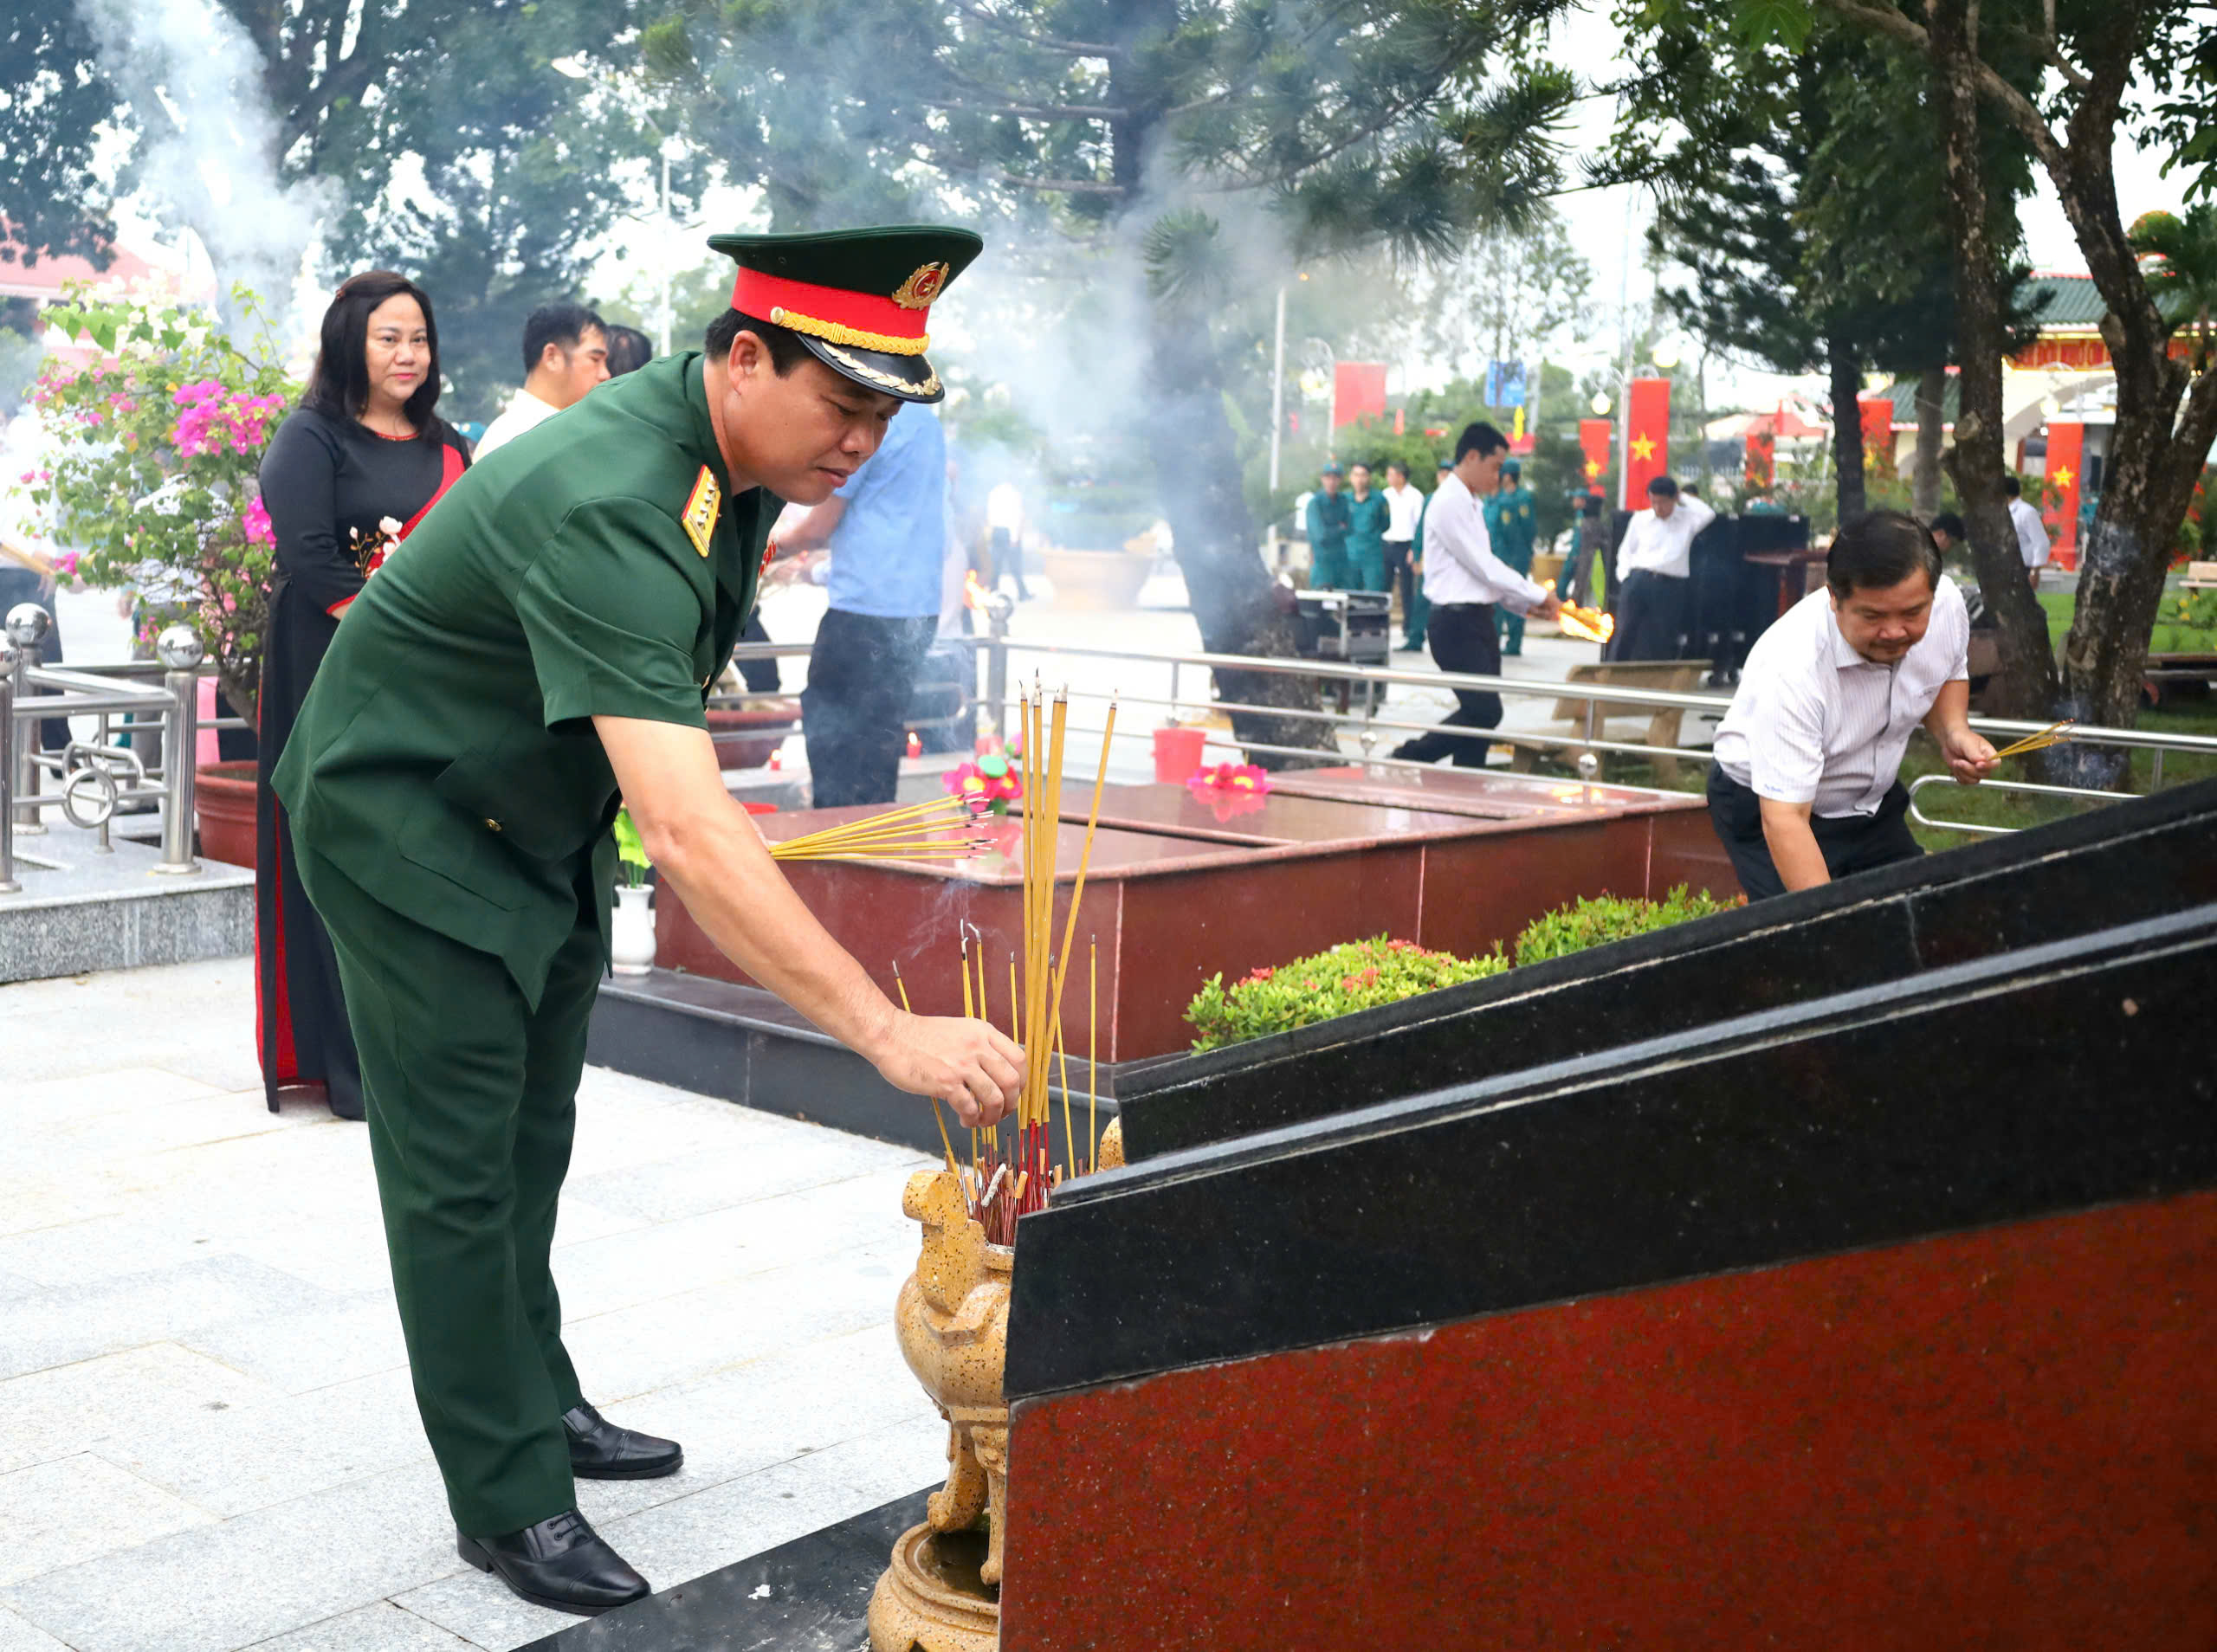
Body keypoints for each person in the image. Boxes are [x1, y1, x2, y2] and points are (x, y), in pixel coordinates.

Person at [274, 226, 1020, 1617]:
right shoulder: (621, 492)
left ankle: (532, 1395)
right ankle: (504, 1498)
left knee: (531, 1137)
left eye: (883, 414)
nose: (860, 442)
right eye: (842, 404)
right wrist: (881, 1028)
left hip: (527, 813)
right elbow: (684, 826)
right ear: (745, 358)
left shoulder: (727, 464)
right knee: (459, 1169)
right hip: (405, 822)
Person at [255, 271, 474, 1121]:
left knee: (419, 855)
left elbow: (480, 549)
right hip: (330, 669)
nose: (407, 354)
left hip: (429, 685)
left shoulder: (450, 444)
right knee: (340, 856)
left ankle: (424, 1054)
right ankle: (347, 1066)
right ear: (349, 340)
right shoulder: (312, 436)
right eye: (389, 337)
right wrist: (392, 632)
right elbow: (310, 556)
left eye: (418, 337)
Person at [1707, 510, 1996, 900]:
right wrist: (1831, 923)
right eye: (1873, 616)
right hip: (1771, 806)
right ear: (1834, 599)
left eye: (1912, 613)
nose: (1895, 631)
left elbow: (1946, 669)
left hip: (1869, 803)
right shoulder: (1792, 667)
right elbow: (1786, 819)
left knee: (1922, 914)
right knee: (1807, 941)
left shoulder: (1944, 604)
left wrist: (1954, 730)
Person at [781, 399, 949, 806]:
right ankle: (876, 851)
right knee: (879, 742)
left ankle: (839, 852)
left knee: (835, 739)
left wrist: (771, 548)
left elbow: (818, 526)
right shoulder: (927, 423)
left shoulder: (871, 422)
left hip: (864, 615)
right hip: (915, 612)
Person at [1389, 423, 1561, 766]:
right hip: (1455, 623)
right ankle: (1411, 756)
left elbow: (1482, 576)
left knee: (1477, 720)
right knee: (1486, 712)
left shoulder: (1471, 503)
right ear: (1471, 456)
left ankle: (1466, 785)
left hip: (1478, 620)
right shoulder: (1449, 502)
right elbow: (1483, 565)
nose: (1498, 477)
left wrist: (1524, 605)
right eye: (1495, 467)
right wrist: (1538, 595)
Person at [475, 302, 611, 457]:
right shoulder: (512, 437)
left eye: (605, 362)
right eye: (595, 359)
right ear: (551, 357)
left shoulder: (571, 431)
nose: (605, 374)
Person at [1605, 474, 1716, 662]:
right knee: (1624, 631)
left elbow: (1709, 514)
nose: (1658, 507)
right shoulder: (1641, 518)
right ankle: (1613, 673)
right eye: (1653, 501)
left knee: (1662, 635)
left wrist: (1683, 496)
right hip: (1638, 580)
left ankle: (1655, 682)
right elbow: (1625, 551)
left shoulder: (1688, 519)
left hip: (1670, 585)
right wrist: (1625, 577)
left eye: (1663, 502)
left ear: (1674, 499)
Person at [0, 537, 70, 753]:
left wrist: (48, 566)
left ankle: (59, 752)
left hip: (37, 578)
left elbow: (50, 529)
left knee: (48, 667)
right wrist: (31, 552)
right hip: (5, 570)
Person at [1484, 457, 1538, 655]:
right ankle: (1495, 640)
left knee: (1515, 601)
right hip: (1498, 558)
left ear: (1507, 476)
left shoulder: (1521, 498)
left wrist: (1520, 557)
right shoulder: (1494, 500)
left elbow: (1526, 530)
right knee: (1497, 603)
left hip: (1515, 557)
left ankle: (1514, 644)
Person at [1381, 461, 1422, 633]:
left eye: (1391, 474)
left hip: (1405, 545)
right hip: (1386, 544)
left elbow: (1418, 525)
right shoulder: (1385, 494)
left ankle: (1408, 626)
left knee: (1407, 588)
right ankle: (1380, 624)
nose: (1388, 478)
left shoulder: (1415, 496)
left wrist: (1415, 549)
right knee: (1383, 587)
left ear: (1400, 476)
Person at [1343, 461, 1390, 592]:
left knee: (1374, 596)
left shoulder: (1380, 499)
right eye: (1356, 475)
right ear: (1350, 478)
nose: (1359, 479)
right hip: (1349, 554)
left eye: (1363, 475)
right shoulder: (1344, 498)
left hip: (1372, 556)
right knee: (1349, 595)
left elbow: (1386, 523)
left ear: (1369, 478)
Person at [1304, 462, 1350, 589]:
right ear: (1322, 479)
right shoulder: (1315, 504)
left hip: (1342, 565)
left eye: (1335, 478)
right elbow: (1320, 535)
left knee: (1345, 604)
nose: (1332, 482)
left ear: (1340, 480)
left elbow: (1350, 528)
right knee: (1321, 604)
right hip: (1322, 565)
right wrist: (1339, 528)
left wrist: (1336, 530)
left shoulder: (1343, 500)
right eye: (1328, 477)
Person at [985, 478, 1030, 599]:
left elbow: (989, 515)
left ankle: (993, 591)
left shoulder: (994, 492)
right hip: (1009, 532)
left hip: (996, 531)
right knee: (1015, 565)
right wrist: (1014, 537)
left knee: (996, 563)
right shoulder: (1014, 493)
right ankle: (1022, 593)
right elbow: (1015, 516)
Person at [1560, 492, 1606, 610]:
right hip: (1593, 564)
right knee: (1590, 595)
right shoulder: (1596, 524)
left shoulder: (1585, 521)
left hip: (1586, 562)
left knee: (1583, 593)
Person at [2004, 475, 2051, 586]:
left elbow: (2041, 542)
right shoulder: (2003, 512)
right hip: (2005, 569)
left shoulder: (2026, 512)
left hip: (2023, 570)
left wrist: (2035, 572)